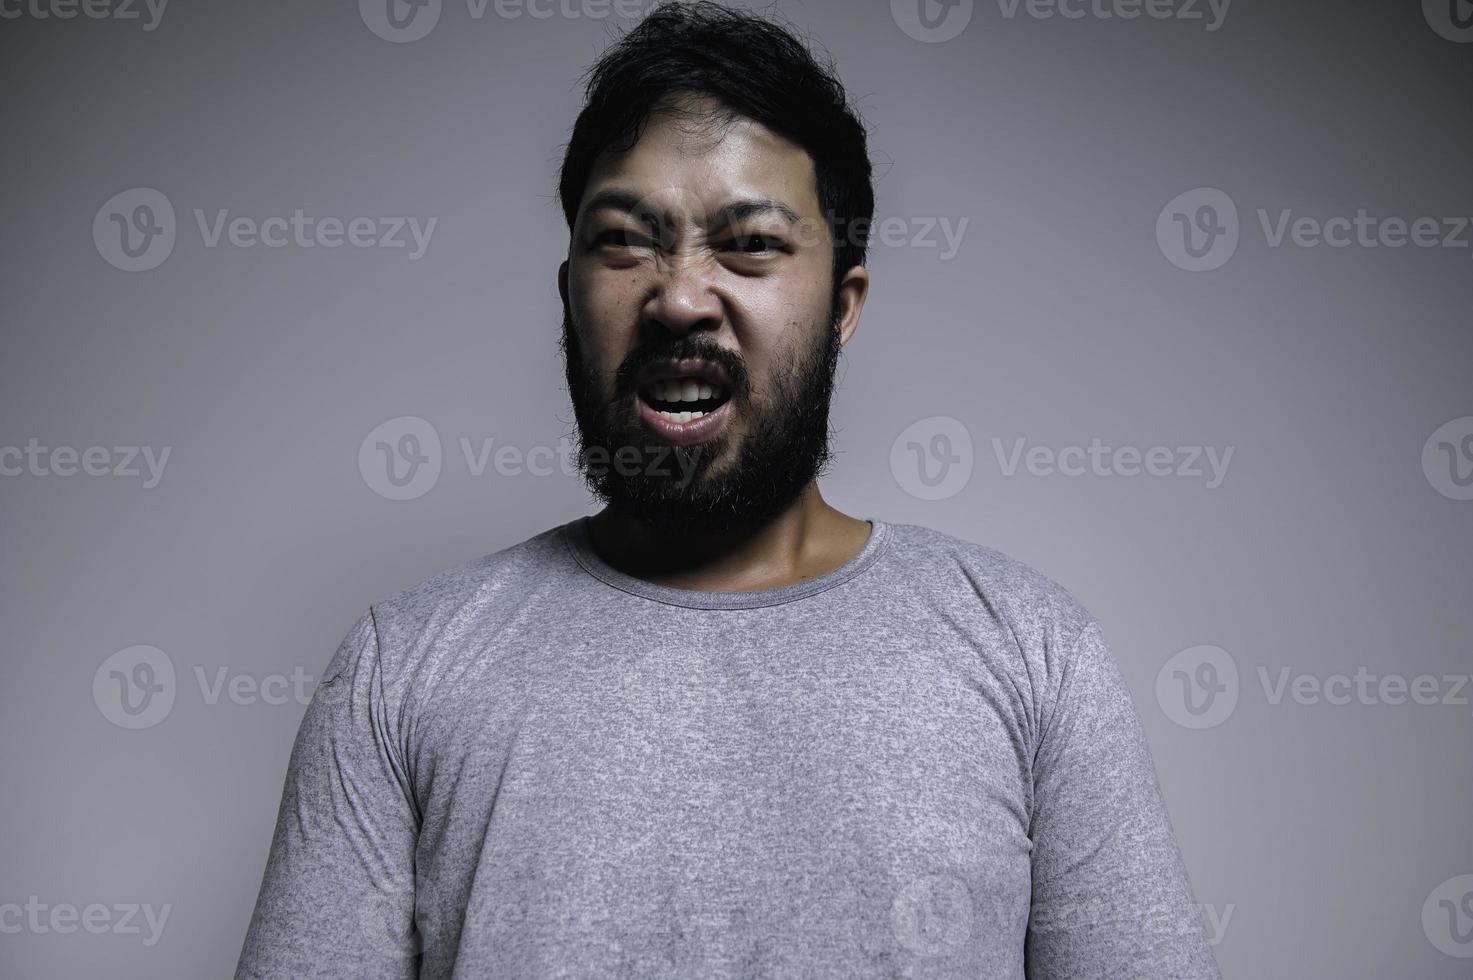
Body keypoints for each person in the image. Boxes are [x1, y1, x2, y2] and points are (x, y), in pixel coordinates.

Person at [236, 3, 1222, 976]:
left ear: (843, 304)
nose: (676, 296)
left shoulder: (1034, 654)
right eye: (625, 240)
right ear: (569, 290)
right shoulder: (400, 672)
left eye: (747, 243)